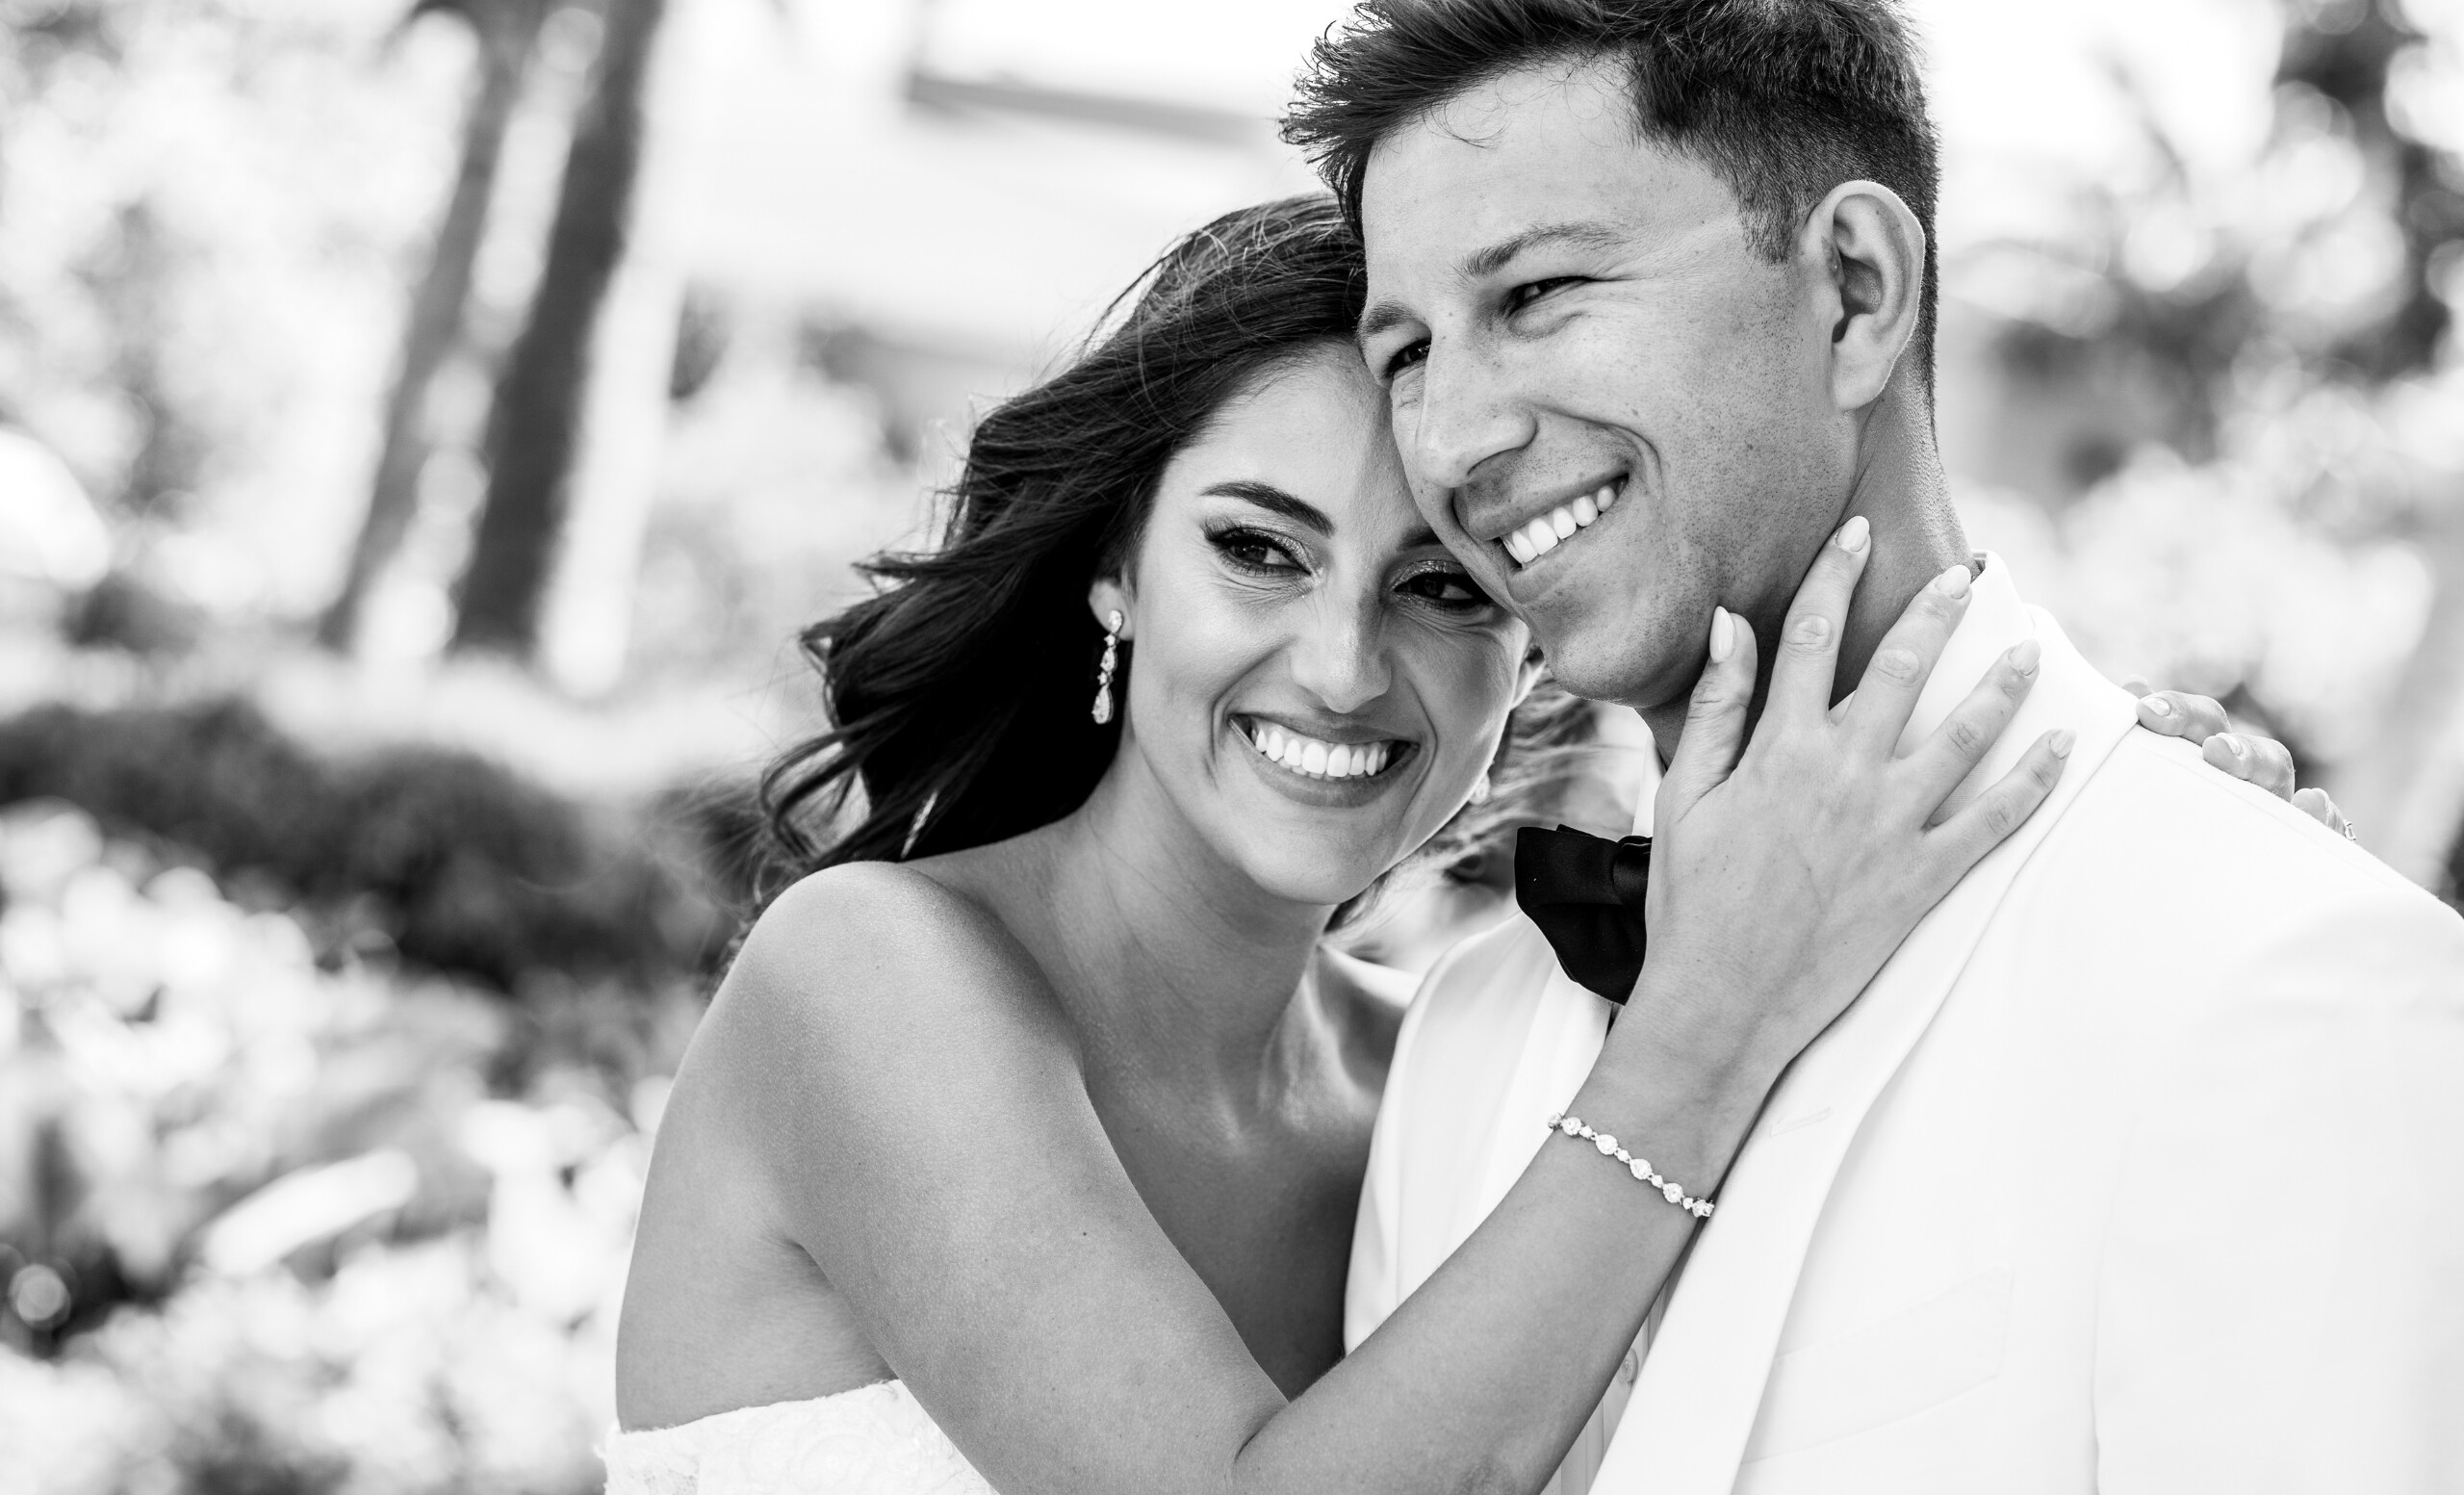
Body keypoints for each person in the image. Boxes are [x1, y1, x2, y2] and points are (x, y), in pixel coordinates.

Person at [605, 196, 2302, 1495]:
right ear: (1114, 573)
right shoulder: (870, 978)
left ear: (1528, 649)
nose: (1342, 665)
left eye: (1438, 588)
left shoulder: (1467, 1075)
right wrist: (1694, 1037)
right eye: (1258, 552)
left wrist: (2104, 855)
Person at [1287, 0, 2464, 1490]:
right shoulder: (1471, 1034)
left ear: (1851, 288)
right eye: (1408, 349)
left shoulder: (2272, 964)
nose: (1452, 443)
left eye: (1540, 294)